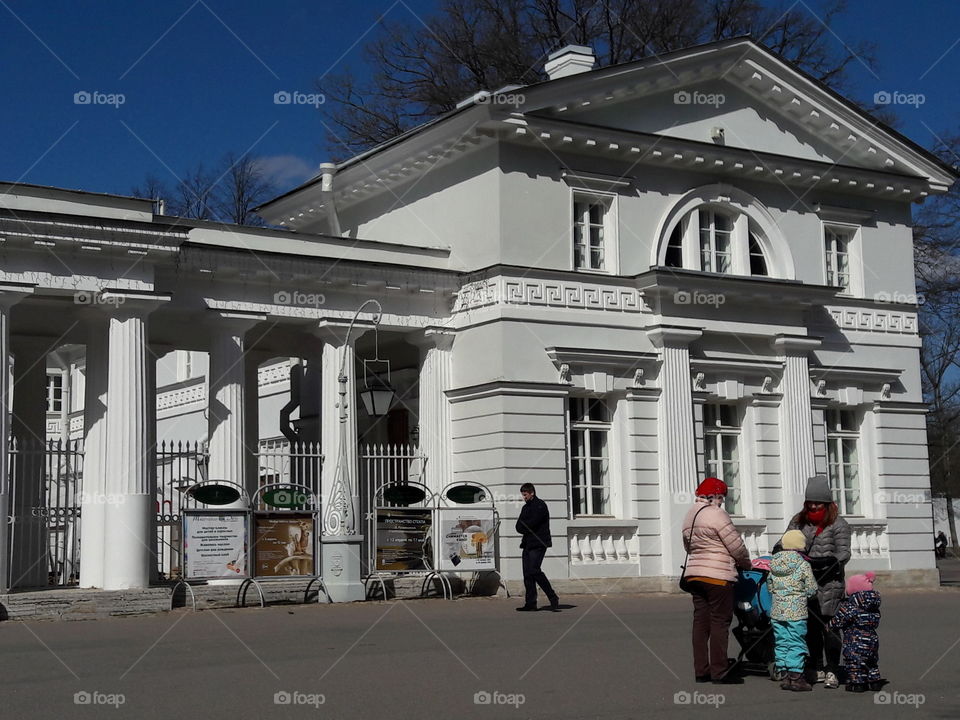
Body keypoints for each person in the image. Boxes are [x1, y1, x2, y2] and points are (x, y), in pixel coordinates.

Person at [681, 477, 752, 684]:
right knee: (720, 622)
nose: (722, 502)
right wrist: (746, 564)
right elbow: (735, 545)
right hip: (718, 577)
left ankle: (701, 670)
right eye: (721, 497)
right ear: (714, 496)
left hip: (694, 574)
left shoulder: (689, 515)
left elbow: (688, 547)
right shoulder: (717, 514)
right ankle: (720, 671)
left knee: (700, 623)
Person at [784, 475, 851, 689]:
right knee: (811, 627)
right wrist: (779, 549)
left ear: (827, 502)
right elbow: (786, 540)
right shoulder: (798, 521)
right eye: (810, 502)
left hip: (830, 582)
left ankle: (832, 669)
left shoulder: (838, 524)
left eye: (818, 502)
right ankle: (816, 667)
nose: (813, 506)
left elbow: (844, 552)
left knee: (830, 627)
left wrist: (830, 562)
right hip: (805, 581)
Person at [768, 530, 818, 692]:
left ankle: (784, 673)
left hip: (777, 611)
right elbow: (811, 588)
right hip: (796, 612)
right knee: (796, 642)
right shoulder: (803, 564)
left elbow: (770, 586)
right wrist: (805, 594)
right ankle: (796, 676)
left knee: (782, 641)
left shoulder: (774, 563)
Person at [830, 572, 882, 693]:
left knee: (854, 662)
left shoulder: (850, 606)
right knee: (871, 661)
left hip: (855, 639)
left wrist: (830, 626)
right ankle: (875, 682)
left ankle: (857, 683)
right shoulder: (873, 605)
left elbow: (839, 620)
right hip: (872, 638)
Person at [515, 482, 559, 612]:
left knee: (534, 570)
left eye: (525, 494)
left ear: (532, 493)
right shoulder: (525, 508)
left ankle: (552, 596)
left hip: (539, 543)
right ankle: (531, 603)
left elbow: (532, 524)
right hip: (527, 543)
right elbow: (518, 526)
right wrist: (525, 527)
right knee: (527, 574)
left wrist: (525, 526)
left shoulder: (540, 506)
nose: (524, 497)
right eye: (523, 495)